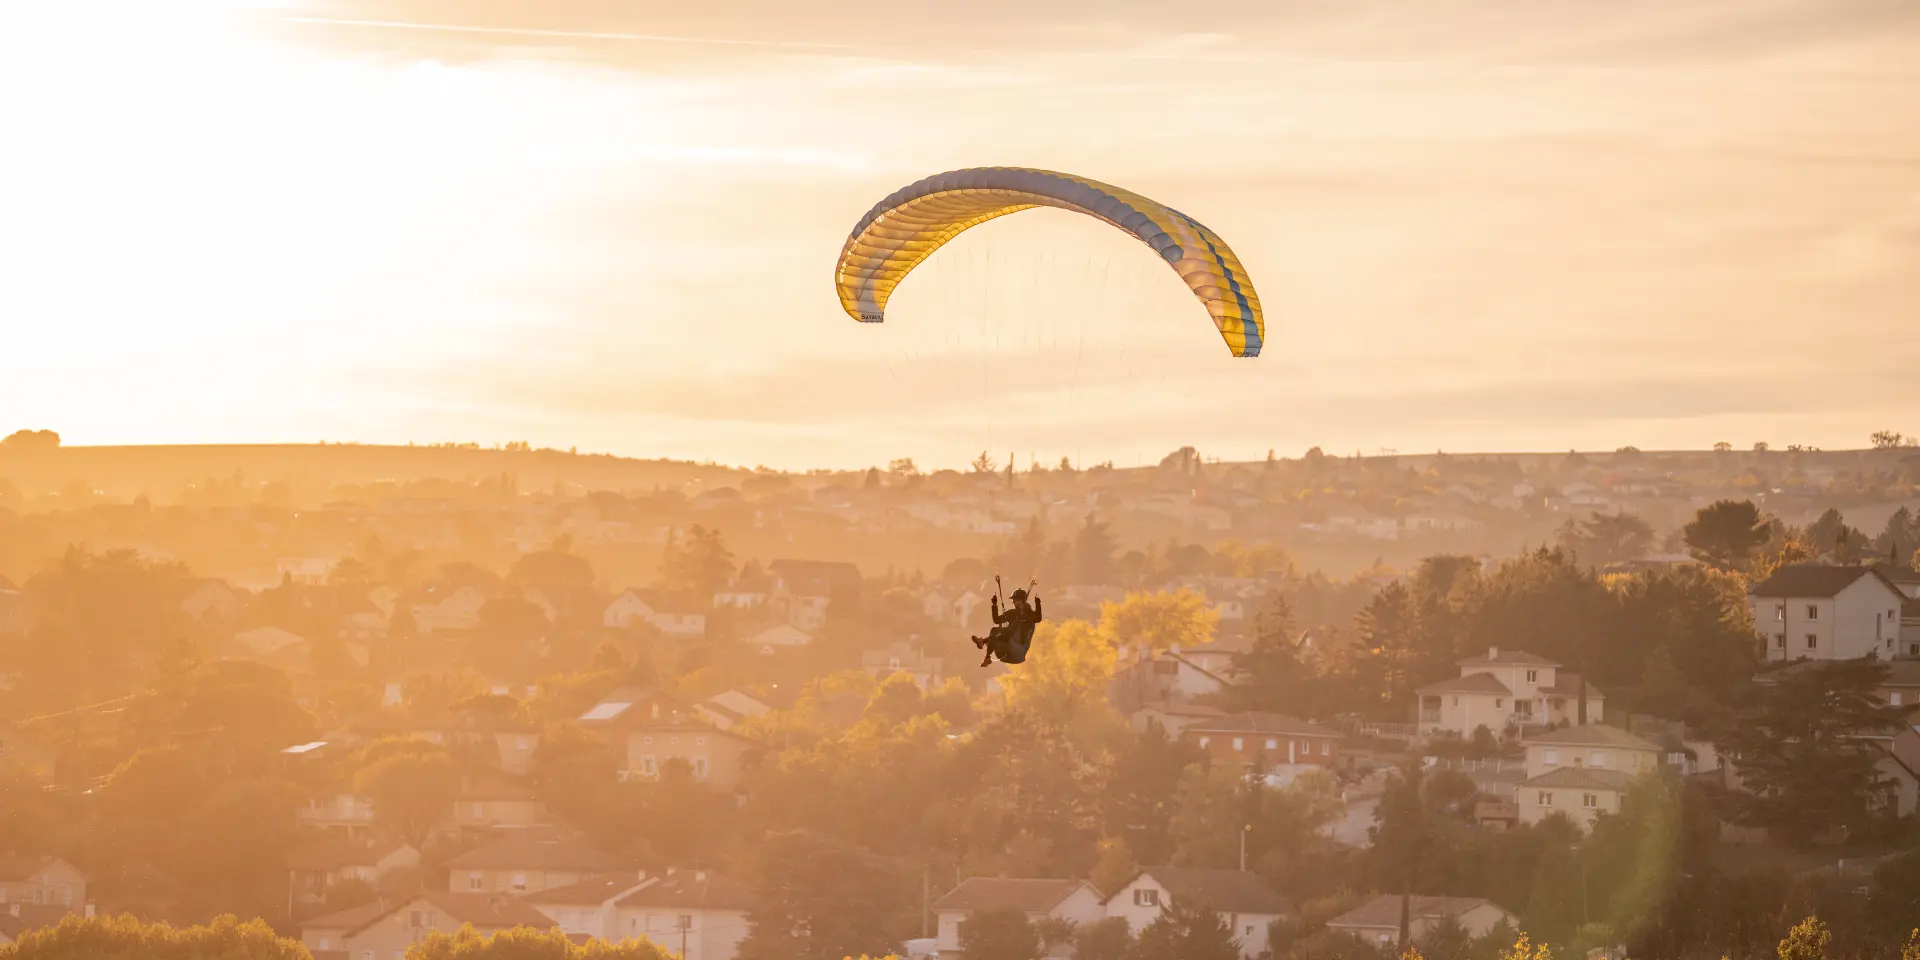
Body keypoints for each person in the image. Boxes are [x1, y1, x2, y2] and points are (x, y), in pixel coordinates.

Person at [973, 584, 1042, 667]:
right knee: (995, 636)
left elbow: (1038, 618)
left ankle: (984, 646)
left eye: (1014, 600)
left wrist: (1038, 604)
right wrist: (994, 605)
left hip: (1019, 650)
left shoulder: (1029, 614)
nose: (1013, 602)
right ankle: (985, 649)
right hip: (1009, 648)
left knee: (995, 631)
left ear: (1021, 600)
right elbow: (997, 620)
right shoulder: (1012, 613)